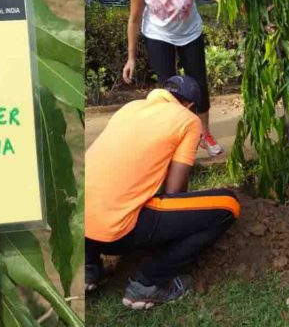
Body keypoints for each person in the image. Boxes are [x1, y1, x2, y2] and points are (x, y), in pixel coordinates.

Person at [85, 75, 240, 309]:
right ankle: (149, 281)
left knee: (103, 189)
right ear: (189, 106)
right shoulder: (188, 120)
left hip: (81, 227)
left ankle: (87, 268)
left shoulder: (130, 108)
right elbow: (174, 191)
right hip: (118, 233)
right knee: (228, 204)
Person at [123, 0, 225, 156]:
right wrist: (131, 57)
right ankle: (173, 140)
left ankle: (204, 133)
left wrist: (253, 12)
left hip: (190, 34)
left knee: (198, 84)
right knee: (167, 91)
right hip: (158, 35)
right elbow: (135, 18)